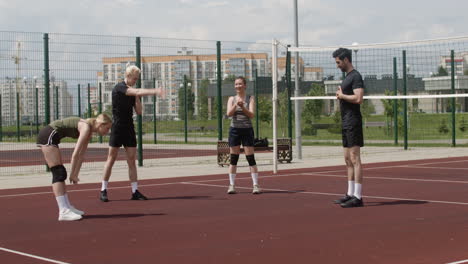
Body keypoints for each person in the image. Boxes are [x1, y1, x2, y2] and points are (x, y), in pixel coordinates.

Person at [100, 65, 165, 202]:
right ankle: (103, 189)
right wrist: (155, 91)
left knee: (131, 160)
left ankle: (135, 191)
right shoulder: (119, 87)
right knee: (111, 159)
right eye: (134, 78)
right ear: (128, 76)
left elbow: (139, 112)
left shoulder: (133, 92)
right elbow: (134, 91)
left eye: (137, 79)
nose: (136, 80)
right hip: (117, 128)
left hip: (129, 128)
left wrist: (137, 97)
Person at [37, 114, 112, 221]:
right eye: (107, 128)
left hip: (52, 137)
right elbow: (75, 154)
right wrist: (72, 174)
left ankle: (67, 207)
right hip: (48, 135)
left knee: (60, 173)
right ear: (100, 124)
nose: (108, 131)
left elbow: (81, 155)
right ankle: (63, 211)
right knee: (59, 173)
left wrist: (75, 174)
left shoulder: (89, 131)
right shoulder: (86, 128)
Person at [332, 48, 365, 208]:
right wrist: (341, 93)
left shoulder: (356, 76)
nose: (337, 65)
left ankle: (358, 196)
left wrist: (342, 96)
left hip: (353, 121)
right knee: (347, 159)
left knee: (354, 159)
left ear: (346, 60)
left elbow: (359, 98)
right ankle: (350, 193)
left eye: (338, 62)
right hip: (345, 121)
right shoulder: (347, 78)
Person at [226, 76, 260, 195]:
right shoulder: (231, 99)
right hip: (234, 130)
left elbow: (251, 115)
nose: (238, 86)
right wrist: (236, 105)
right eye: (236, 84)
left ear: (245, 85)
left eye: (240, 84)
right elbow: (229, 114)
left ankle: (255, 185)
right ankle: (232, 185)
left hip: (247, 130)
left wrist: (242, 107)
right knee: (233, 159)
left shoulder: (250, 98)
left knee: (250, 158)